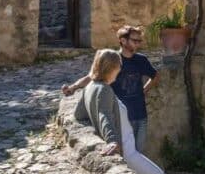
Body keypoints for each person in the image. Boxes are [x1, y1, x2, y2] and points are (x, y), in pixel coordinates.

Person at [73, 48, 165, 174]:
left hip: (128, 147)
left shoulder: (91, 86)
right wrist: (112, 141)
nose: (120, 68)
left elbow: (79, 114)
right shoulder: (104, 89)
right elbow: (105, 116)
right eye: (119, 65)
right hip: (127, 151)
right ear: (112, 68)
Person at [62, 25, 158, 153]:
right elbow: (92, 77)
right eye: (135, 41)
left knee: (138, 153)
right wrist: (73, 87)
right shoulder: (112, 60)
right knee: (123, 155)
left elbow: (155, 76)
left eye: (140, 41)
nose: (138, 44)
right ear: (123, 41)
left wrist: (144, 91)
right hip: (120, 118)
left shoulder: (141, 60)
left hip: (140, 115)